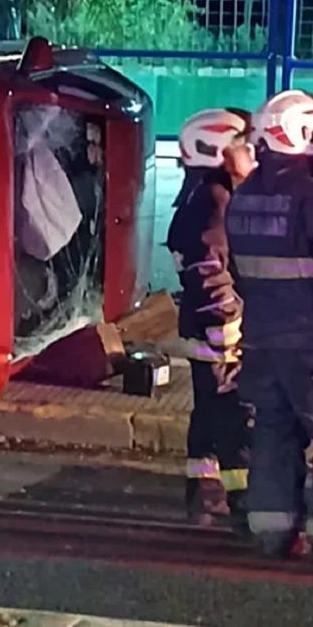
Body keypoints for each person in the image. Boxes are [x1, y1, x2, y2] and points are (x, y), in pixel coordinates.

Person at [225, 90, 313, 557]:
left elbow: (241, 274)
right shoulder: (307, 194)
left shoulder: (243, 198)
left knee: (274, 432)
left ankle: (272, 531)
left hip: (261, 339)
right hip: (307, 338)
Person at [168, 108, 255, 531]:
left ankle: (203, 494)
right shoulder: (214, 202)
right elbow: (209, 272)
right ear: (218, 150)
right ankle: (239, 499)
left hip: (204, 332)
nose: (252, 155)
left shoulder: (199, 196)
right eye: (245, 147)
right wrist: (229, 327)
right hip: (220, 333)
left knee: (207, 413)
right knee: (232, 416)